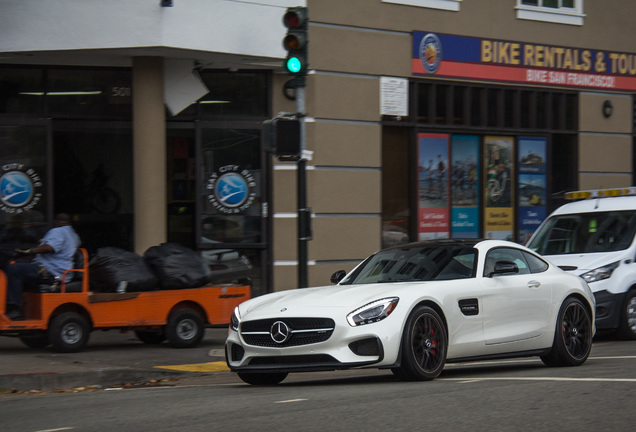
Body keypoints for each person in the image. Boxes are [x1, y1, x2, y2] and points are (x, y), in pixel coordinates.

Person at [4, 213, 81, 320]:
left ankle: (14, 308)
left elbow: (49, 247)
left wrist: (29, 251)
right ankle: (22, 306)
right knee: (20, 265)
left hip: (51, 272)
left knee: (14, 269)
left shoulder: (58, 231)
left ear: (56, 222)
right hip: (60, 273)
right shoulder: (73, 234)